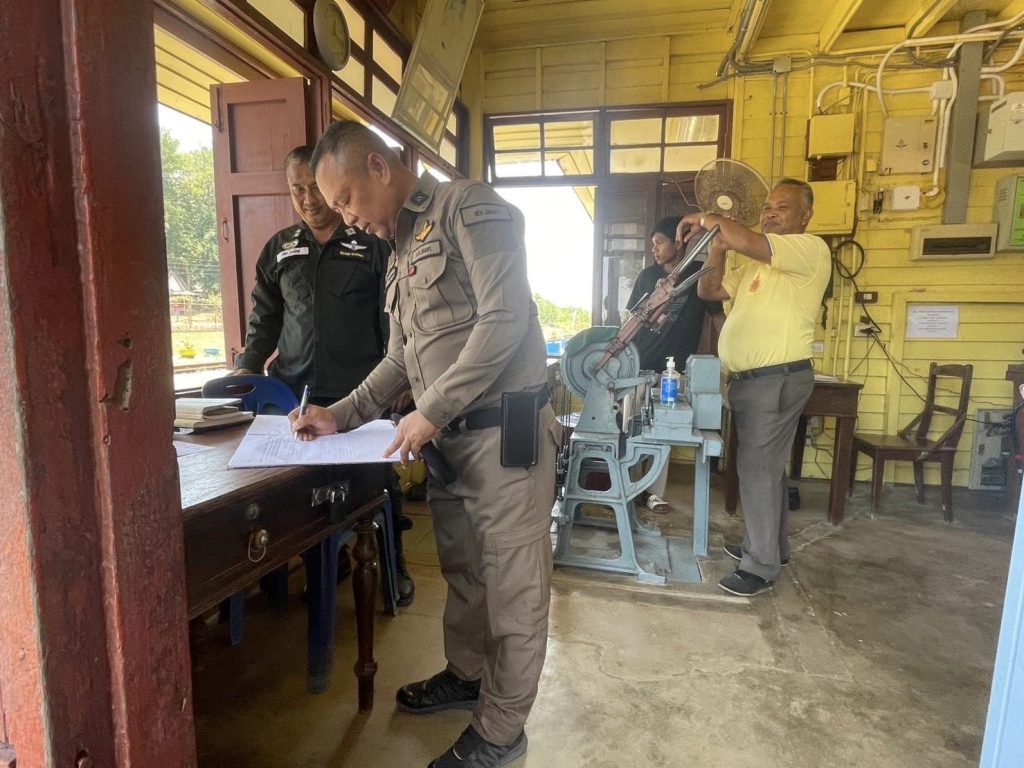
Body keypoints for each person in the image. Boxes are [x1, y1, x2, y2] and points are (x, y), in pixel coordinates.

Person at [292, 121, 557, 768]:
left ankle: (501, 733)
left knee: (514, 589)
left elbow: (504, 320)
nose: (348, 218)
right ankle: (467, 676)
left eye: (348, 199)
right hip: (452, 446)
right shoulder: (399, 246)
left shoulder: (469, 207)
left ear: (379, 167)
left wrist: (430, 411)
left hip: (505, 438)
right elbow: (399, 359)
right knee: (465, 574)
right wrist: (341, 415)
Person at [232, 145, 415, 606]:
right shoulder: (279, 248)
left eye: (315, 188)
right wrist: (247, 367)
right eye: (297, 190)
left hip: (362, 392)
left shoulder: (371, 243)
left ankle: (395, 567)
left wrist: (401, 381)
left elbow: (394, 322)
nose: (308, 199)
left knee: (378, 486)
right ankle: (303, 569)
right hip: (293, 393)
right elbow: (264, 319)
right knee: (289, 492)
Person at [678, 178, 830, 597]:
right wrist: (716, 247)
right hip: (752, 382)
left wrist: (708, 218)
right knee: (767, 469)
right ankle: (772, 547)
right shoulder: (754, 267)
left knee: (757, 470)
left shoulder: (809, 248)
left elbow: (745, 239)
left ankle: (760, 566)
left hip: (775, 378)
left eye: (782, 207)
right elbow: (709, 289)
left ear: (805, 215)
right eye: (766, 207)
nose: (770, 213)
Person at [626, 215, 723, 513]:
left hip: (673, 372)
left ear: (678, 242)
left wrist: (728, 359)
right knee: (632, 428)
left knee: (665, 430)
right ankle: (630, 487)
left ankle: (654, 493)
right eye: (652, 243)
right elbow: (630, 321)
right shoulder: (647, 277)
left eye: (659, 242)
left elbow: (718, 318)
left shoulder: (698, 275)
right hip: (639, 367)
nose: (654, 248)